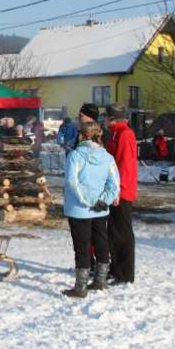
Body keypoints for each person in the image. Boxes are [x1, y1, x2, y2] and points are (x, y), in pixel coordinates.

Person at [62, 121, 120, 298]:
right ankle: (100, 280)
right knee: (101, 242)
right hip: (99, 209)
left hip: (79, 209)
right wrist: (101, 202)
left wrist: (86, 201)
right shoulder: (107, 157)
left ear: (82, 135)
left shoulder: (75, 156)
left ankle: (80, 287)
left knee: (82, 246)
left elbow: (72, 182)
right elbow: (115, 185)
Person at [105, 104, 138, 285]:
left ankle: (125, 274)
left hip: (122, 191)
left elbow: (124, 165)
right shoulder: (116, 133)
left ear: (113, 118)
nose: (105, 120)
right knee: (113, 232)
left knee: (122, 233)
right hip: (116, 189)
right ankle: (116, 268)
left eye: (107, 117)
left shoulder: (125, 134)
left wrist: (117, 190)